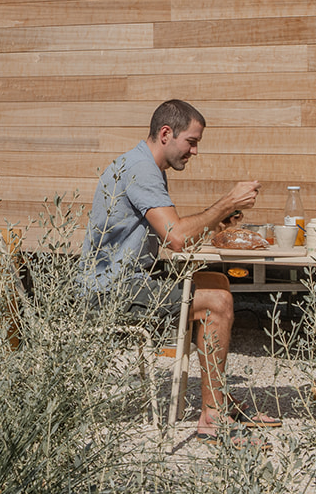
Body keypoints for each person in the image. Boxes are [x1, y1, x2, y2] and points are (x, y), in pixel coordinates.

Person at [77, 99, 274, 436]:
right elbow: (177, 236)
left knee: (215, 282)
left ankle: (217, 398)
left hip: (127, 280)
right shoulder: (141, 170)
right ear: (166, 133)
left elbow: (173, 234)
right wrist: (227, 201)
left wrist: (218, 223)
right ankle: (212, 417)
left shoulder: (144, 165)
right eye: (191, 142)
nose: (194, 151)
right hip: (109, 291)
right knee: (216, 301)